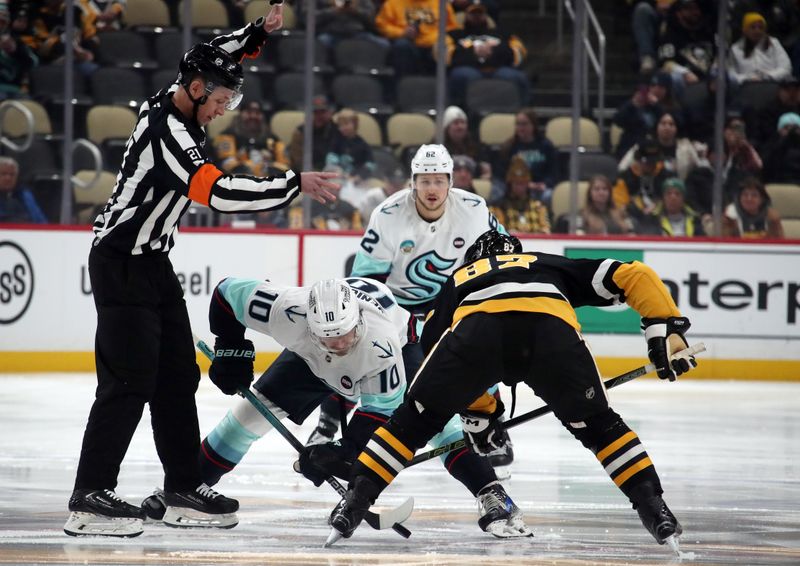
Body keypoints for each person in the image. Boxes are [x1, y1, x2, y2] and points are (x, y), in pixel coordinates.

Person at [63, 3, 341, 539]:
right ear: (193, 89)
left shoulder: (189, 93)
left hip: (152, 264)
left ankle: (182, 489)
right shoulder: (168, 129)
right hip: (121, 264)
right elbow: (215, 191)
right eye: (218, 100)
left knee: (176, 378)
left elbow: (220, 55)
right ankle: (90, 496)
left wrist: (256, 32)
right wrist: (292, 183)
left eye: (229, 100)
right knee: (128, 381)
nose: (223, 109)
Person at [327, 229, 697, 548]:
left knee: (411, 424)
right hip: (549, 332)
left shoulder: (459, 278)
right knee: (601, 426)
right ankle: (653, 506)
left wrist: (482, 413)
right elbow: (635, 274)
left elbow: (435, 351)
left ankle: (356, 501)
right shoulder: (544, 262)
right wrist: (664, 328)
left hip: (477, 335)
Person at [147, 276, 528, 538]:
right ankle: (184, 491)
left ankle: (493, 494)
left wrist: (340, 456)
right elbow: (226, 294)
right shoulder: (286, 310)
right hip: (308, 358)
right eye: (328, 337)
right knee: (246, 418)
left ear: (357, 319)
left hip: (402, 350)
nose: (338, 345)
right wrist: (231, 349)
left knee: (431, 420)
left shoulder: (380, 346)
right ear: (308, 322)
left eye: (344, 335)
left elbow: (376, 425)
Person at [308, 144, 516, 469]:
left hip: (449, 301)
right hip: (394, 304)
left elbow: (506, 253)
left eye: (438, 181)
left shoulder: (474, 209)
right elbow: (366, 278)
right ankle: (329, 420)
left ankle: (488, 427)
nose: (431, 188)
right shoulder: (388, 214)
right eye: (424, 180)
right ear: (412, 182)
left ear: (450, 182)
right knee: (362, 354)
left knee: (480, 350)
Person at [444, 2, 529, 106]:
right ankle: (464, 112)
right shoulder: (455, 34)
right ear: (466, 15)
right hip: (468, 69)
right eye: (473, 14)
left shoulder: (502, 33)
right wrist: (473, 52)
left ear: (486, 16)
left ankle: (522, 110)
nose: (476, 17)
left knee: (518, 77)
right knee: (462, 76)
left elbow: (519, 51)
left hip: (498, 69)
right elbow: (444, 53)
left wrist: (493, 52)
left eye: (480, 14)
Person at [375, 0, 458, 77]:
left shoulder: (440, 3)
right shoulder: (393, 3)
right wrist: (402, 32)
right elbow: (381, 25)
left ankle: (440, 89)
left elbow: (452, 28)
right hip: (409, 45)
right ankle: (403, 85)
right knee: (401, 46)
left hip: (432, 45)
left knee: (444, 47)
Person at [618, 112, 708, 182]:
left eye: (671, 124)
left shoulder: (686, 147)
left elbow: (700, 168)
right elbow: (623, 167)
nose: (667, 127)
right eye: (663, 123)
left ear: (676, 128)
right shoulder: (645, 145)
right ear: (657, 126)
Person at [212, 99, 289, 177]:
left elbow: (284, 164)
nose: (253, 116)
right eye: (249, 112)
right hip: (239, 180)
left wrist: (269, 168)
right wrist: (249, 168)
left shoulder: (273, 139)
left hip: (269, 181)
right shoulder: (227, 136)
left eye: (257, 113)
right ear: (240, 114)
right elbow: (227, 163)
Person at [613, 137, 672, 234]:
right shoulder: (624, 178)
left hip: (663, 217)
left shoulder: (666, 176)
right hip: (634, 217)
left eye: (654, 162)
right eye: (647, 162)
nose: (651, 165)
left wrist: (658, 206)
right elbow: (620, 205)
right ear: (638, 159)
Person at [496, 108, 558, 193]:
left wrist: (545, 184)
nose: (520, 128)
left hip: (539, 187)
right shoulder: (508, 146)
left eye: (524, 124)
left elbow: (553, 172)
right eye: (518, 124)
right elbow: (501, 174)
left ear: (533, 125)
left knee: (548, 195)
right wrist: (519, 184)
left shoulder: (546, 146)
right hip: (514, 188)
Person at [489, 155, 551, 234]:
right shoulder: (498, 206)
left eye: (522, 183)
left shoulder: (538, 205)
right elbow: (497, 231)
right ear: (510, 184)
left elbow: (546, 230)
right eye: (516, 183)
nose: (519, 187)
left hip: (535, 245)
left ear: (528, 184)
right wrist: (508, 233)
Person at [554, 174, 632, 235]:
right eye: (597, 189)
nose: (601, 193)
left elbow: (632, 234)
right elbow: (578, 239)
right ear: (590, 193)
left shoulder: (621, 214)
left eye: (605, 189)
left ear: (610, 193)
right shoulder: (581, 215)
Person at [729, 12, 792, 86]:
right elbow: (731, 73)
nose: (757, 31)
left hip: (772, 85)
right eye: (753, 27)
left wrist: (767, 76)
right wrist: (747, 78)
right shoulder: (735, 49)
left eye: (760, 27)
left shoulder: (774, 43)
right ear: (745, 30)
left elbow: (786, 68)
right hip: (746, 88)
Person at [287, 94, 338, 170]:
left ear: (329, 113)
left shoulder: (337, 130)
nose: (319, 116)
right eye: (315, 112)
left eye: (322, 112)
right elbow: (298, 160)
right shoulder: (300, 132)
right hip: (307, 173)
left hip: (332, 172)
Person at [0, 0, 38, 100]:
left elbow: (33, 62)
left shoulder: (15, 40)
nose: (1, 25)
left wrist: (15, 51)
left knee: (28, 104)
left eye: (3, 21)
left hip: (14, 89)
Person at [324, 108, 376, 180]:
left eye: (346, 124)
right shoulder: (336, 141)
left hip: (357, 178)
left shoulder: (363, 145)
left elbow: (370, 165)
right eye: (340, 125)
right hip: (339, 176)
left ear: (355, 124)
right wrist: (338, 172)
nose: (343, 128)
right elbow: (331, 159)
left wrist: (359, 176)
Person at [442, 106, 492, 179]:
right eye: (456, 123)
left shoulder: (476, 145)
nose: (460, 126)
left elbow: (485, 170)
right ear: (447, 128)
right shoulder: (438, 147)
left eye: (463, 122)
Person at [0, 156, 47, 223]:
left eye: (12, 174)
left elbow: (40, 221)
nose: (8, 178)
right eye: (3, 174)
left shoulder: (25, 195)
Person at [761, 111, 800, 184]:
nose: (791, 132)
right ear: (779, 130)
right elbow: (766, 166)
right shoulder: (770, 146)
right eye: (786, 128)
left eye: (796, 128)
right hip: (778, 183)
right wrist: (784, 142)